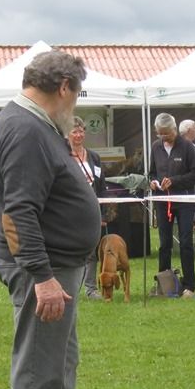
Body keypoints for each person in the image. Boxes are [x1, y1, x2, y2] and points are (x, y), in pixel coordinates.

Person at [0, 50, 102, 389]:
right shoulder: (25, 129)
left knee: (60, 364)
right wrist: (41, 276)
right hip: (44, 268)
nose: (77, 101)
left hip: (57, 266)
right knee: (38, 368)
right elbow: (19, 213)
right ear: (65, 87)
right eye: (78, 92)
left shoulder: (33, 125)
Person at [149, 112, 195, 297]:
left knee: (186, 242)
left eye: (167, 133)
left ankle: (189, 285)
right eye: (160, 134)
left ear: (174, 129)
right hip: (163, 202)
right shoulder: (156, 147)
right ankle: (164, 285)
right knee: (164, 243)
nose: (164, 137)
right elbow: (152, 173)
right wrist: (153, 183)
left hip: (184, 201)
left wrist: (174, 181)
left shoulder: (187, 147)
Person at [68, 116, 107, 298]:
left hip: (92, 209)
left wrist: (104, 212)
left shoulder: (94, 157)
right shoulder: (63, 155)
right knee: (71, 249)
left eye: (81, 131)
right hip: (70, 209)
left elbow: (101, 186)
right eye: (75, 131)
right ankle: (70, 286)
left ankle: (91, 288)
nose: (79, 135)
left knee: (92, 249)